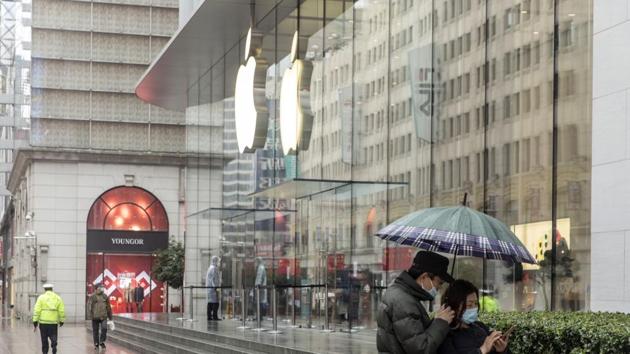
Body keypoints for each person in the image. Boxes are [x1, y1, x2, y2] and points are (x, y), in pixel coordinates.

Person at [376, 251, 456, 354]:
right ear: (424, 277)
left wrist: (436, 320)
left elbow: (412, 336)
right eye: (439, 283)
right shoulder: (404, 302)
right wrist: (441, 323)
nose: (439, 287)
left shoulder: (401, 292)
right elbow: (420, 349)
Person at [438, 280, 509, 354]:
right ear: (454, 305)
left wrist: (501, 351)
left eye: (475, 303)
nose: (474, 308)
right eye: (469, 305)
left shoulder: (480, 327)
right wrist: (482, 350)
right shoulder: (445, 334)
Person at [33, 283, 65, 354]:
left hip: (43, 323)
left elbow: (37, 310)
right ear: (52, 289)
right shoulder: (58, 298)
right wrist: (62, 320)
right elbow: (61, 310)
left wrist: (35, 321)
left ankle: (45, 352)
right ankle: (54, 344)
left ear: (45, 289)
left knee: (44, 339)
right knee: (53, 335)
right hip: (53, 323)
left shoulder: (41, 298)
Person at [88, 283, 113, 350]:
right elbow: (89, 306)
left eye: (102, 287)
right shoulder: (92, 296)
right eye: (101, 287)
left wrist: (110, 317)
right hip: (95, 317)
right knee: (95, 331)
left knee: (104, 328)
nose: (102, 288)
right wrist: (90, 315)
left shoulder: (105, 296)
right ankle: (96, 343)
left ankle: (102, 341)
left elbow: (108, 307)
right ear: (97, 288)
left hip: (103, 316)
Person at [206, 256, 221, 320]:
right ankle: (214, 316)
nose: (218, 262)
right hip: (213, 288)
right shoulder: (214, 268)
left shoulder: (210, 268)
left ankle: (209, 316)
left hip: (211, 288)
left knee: (211, 302)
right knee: (216, 302)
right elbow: (213, 279)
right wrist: (215, 287)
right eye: (218, 261)